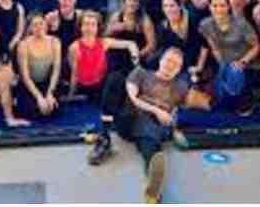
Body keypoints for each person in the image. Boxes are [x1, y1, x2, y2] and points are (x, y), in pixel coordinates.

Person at [88, 47, 211, 203]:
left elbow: (207, 104)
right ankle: (103, 138)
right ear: (161, 60)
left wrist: (177, 120)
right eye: (168, 60)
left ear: (179, 69)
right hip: (129, 119)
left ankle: (154, 188)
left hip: (153, 128)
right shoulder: (141, 74)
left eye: (176, 64)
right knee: (115, 79)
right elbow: (133, 98)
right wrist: (157, 111)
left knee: (150, 142)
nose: (170, 66)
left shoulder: (181, 87)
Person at [199, 0, 260, 114]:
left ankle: (235, 103)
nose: (218, 9)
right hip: (223, 61)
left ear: (228, 7)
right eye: (214, 6)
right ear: (209, 7)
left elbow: (256, 46)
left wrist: (242, 61)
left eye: (222, 6)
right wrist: (221, 63)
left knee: (234, 72)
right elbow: (212, 46)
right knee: (221, 81)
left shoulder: (241, 23)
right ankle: (227, 103)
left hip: (244, 61)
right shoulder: (205, 24)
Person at [67, 11, 140, 103]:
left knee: (117, 75)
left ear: (97, 28)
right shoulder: (74, 47)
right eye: (86, 24)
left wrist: (135, 59)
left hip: (102, 83)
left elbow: (131, 44)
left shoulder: (104, 42)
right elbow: (74, 74)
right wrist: (71, 95)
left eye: (93, 25)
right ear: (80, 27)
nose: (89, 28)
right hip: (84, 86)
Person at [152, 0, 209, 81]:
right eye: (165, 6)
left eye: (172, 6)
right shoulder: (163, 26)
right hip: (172, 59)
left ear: (180, 6)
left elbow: (204, 45)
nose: (168, 9)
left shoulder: (192, 19)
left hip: (190, 60)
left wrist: (199, 66)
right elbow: (164, 48)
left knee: (184, 80)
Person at [16, 13, 62, 119]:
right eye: (35, 25)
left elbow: (56, 70)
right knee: (30, 111)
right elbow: (25, 76)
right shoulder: (23, 45)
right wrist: (39, 97)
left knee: (52, 109)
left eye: (41, 23)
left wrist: (50, 93)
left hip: (47, 82)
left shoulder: (55, 42)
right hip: (29, 84)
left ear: (46, 25)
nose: (38, 27)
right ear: (30, 28)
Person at [106, 0, 157, 73]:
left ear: (139, 4)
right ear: (124, 2)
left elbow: (152, 45)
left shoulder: (144, 20)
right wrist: (113, 29)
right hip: (117, 55)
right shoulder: (116, 16)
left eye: (135, 0)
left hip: (135, 55)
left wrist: (137, 55)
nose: (131, 3)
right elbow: (105, 37)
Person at [45, 0, 81, 87]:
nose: (66, 2)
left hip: (74, 54)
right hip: (55, 54)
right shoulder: (51, 17)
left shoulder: (80, 17)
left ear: (75, 1)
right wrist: (51, 29)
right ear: (59, 1)